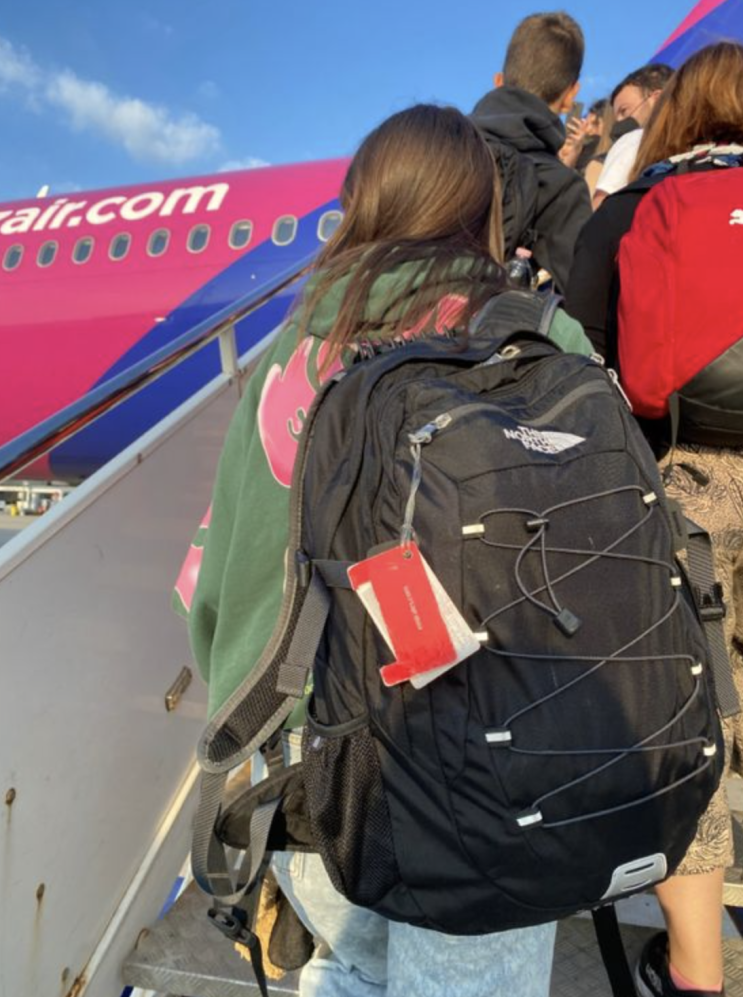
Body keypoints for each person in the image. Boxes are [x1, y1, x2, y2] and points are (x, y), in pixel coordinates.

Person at [183, 104, 593, 997]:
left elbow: (230, 570)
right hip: (500, 766)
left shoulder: (299, 345)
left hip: (314, 765)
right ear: (484, 210)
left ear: (361, 202)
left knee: (345, 968)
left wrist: (242, 709)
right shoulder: (543, 337)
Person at [565, 42, 743, 997]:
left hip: (683, 491)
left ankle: (694, 976)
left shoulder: (638, 206)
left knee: (688, 732)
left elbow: (580, 356)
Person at [470, 11, 591, 293]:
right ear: (570, 95)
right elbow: (575, 301)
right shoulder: (564, 189)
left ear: (499, 81)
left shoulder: (430, 146)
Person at [592, 63, 675, 209]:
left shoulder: (633, 140)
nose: (620, 123)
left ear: (657, 99)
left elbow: (600, 206)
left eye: (624, 111)